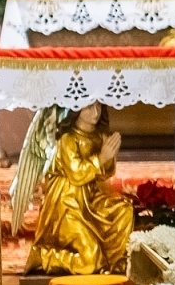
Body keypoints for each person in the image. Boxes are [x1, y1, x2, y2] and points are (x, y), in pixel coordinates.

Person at [26, 103, 135, 275]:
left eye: (98, 107)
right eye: (89, 107)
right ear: (75, 109)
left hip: (90, 199)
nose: (96, 112)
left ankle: (114, 263)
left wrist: (109, 158)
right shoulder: (67, 139)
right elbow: (77, 173)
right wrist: (101, 158)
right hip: (67, 203)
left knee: (124, 211)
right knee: (89, 259)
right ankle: (44, 256)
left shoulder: (99, 135)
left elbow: (103, 175)